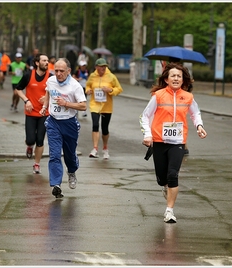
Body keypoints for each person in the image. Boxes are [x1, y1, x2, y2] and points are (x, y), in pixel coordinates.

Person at [139, 62, 207, 223]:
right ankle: (165, 186)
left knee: (172, 175)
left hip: (178, 141)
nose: (176, 78)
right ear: (167, 79)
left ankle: (169, 211)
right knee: (162, 178)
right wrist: (147, 135)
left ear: (183, 80)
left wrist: (199, 125)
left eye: (179, 76)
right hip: (159, 141)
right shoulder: (159, 96)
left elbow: (195, 113)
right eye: (173, 76)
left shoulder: (188, 97)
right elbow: (145, 116)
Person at [39, 58, 87, 198]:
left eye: (61, 71)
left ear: (68, 71)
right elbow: (48, 92)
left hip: (69, 123)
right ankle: (56, 184)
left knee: (69, 155)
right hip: (53, 122)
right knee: (54, 154)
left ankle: (71, 172)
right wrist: (44, 107)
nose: (58, 74)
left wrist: (66, 103)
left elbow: (83, 106)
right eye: (56, 71)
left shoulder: (75, 86)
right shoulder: (51, 80)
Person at [16, 53, 52, 174]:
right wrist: (26, 101)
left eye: (47, 60)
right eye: (44, 60)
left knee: (40, 140)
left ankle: (36, 164)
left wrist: (47, 98)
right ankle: (30, 146)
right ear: (37, 63)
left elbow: (57, 92)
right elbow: (18, 89)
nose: (47, 62)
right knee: (31, 139)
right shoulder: (28, 75)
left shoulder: (51, 77)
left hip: (44, 113)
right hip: (30, 113)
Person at [85, 58, 123, 159]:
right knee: (95, 125)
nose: (103, 68)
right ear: (96, 67)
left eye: (104, 66)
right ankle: (95, 149)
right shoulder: (93, 76)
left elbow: (119, 89)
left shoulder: (111, 76)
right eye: (101, 66)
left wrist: (110, 90)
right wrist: (88, 90)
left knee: (105, 128)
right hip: (95, 105)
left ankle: (105, 148)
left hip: (107, 106)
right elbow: (88, 85)